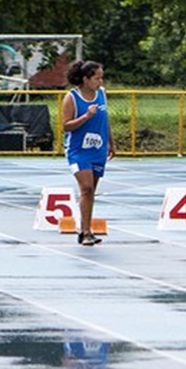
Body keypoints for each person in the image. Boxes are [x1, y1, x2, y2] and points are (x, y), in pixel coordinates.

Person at [64, 60, 114, 246]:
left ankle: (85, 227)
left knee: (91, 191)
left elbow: (105, 119)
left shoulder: (101, 94)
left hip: (98, 149)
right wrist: (86, 116)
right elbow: (65, 126)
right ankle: (85, 232)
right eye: (97, 78)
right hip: (78, 151)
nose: (100, 81)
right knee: (86, 188)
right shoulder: (72, 97)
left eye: (101, 77)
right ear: (85, 79)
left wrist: (111, 142)